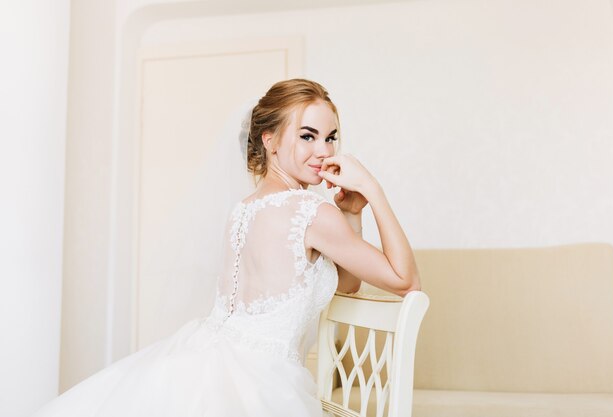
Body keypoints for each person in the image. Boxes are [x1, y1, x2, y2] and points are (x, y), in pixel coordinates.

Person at [32, 78, 420, 416]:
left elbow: (345, 285)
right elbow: (406, 280)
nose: (323, 150)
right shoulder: (311, 211)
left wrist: (353, 214)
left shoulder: (244, 209)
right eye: (307, 136)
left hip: (200, 360)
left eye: (330, 137)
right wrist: (373, 188)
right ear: (270, 141)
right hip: (260, 383)